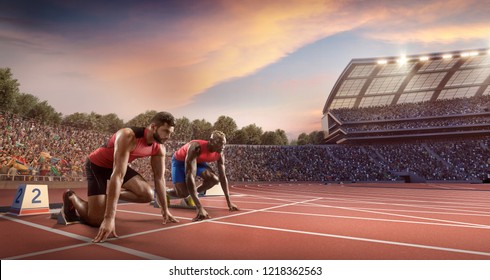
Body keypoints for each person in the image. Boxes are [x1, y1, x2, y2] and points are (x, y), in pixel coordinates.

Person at [61, 111, 178, 243]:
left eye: (171, 133)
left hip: (117, 166)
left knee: (148, 195)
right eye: (166, 131)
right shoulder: (128, 135)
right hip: (97, 165)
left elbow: (159, 179)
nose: (168, 136)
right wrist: (109, 218)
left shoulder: (159, 148)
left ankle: (108, 196)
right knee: (96, 220)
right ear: (153, 127)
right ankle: (71, 196)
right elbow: (118, 176)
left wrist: (165, 209)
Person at [167, 131, 239, 221]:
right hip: (180, 162)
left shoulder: (220, 153)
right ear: (211, 141)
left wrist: (229, 202)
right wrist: (199, 208)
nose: (222, 147)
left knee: (214, 179)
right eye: (219, 144)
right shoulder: (196, 147)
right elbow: (190, 177)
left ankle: (191, 196)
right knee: (183, 193)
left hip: (198, 161)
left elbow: (223, 177)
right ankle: (166, 192)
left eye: (224, 144)